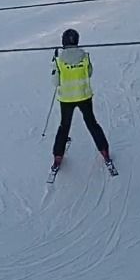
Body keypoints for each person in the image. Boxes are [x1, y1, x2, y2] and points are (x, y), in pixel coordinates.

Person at [50, 29, 112, 173]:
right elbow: (89, 73)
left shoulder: (59, 59)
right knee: (92, 123)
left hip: (67, 99)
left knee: (64, 126)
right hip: (84, 96)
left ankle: (58, 156)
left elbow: (55, 82)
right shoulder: (85, 56)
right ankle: (104, 151)